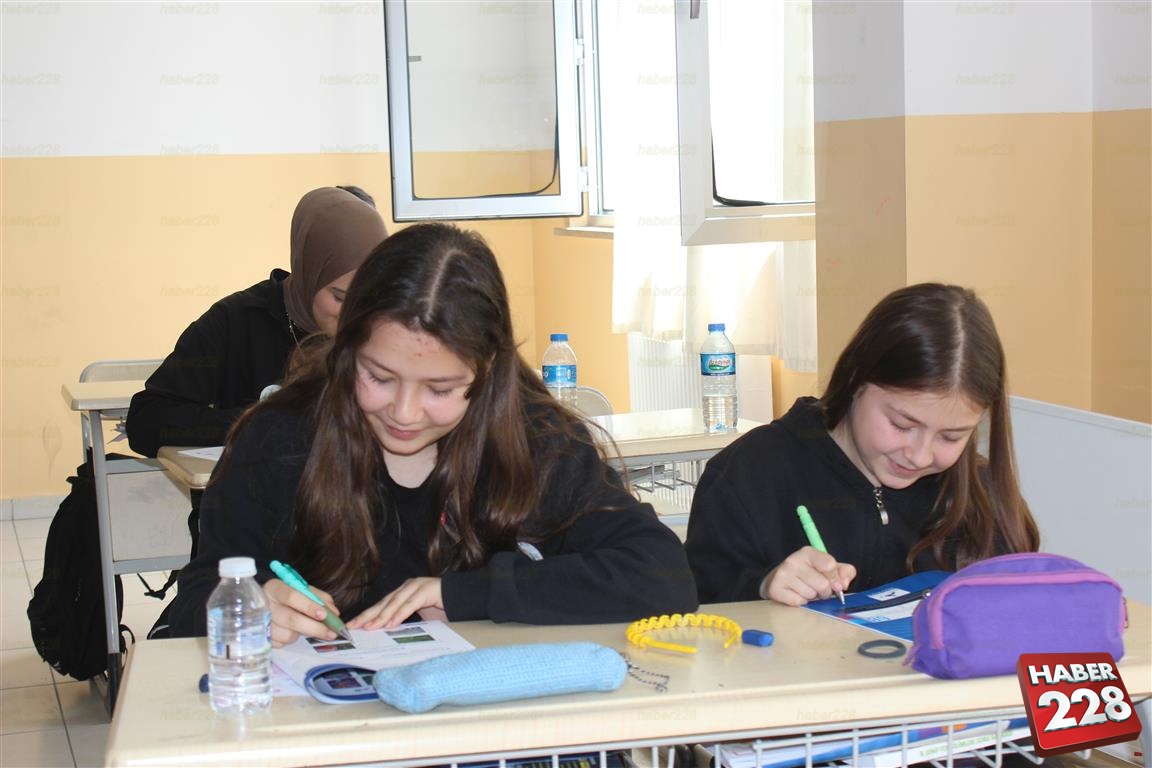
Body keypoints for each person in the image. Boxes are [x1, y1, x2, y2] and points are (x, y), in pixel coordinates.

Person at [166, 222, 698, 642]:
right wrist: (253, 607)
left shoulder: (536, 440)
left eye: (440, 389)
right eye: (378, 377)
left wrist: (469, 594)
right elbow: (193, 602)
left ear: (487, 372)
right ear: (347, 349)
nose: (404, 412)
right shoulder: (280, 438)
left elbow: (661, 575)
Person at [685, 283, 1039, 606]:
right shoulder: (751, 474)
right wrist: (762, 587)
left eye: (952, 436)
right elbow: (696, 608)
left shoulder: (981, 493)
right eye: (902, 425)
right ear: (856, 379)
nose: (919, 457)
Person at [126, 186, 387, 458]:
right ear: (308, 271)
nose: (355, 313)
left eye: (369, 296)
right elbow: (146, 420)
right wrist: (261, 421)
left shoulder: (386, 326)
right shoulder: (235, 322)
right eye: (340, 297)